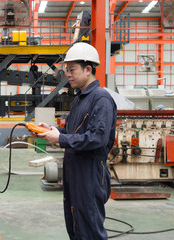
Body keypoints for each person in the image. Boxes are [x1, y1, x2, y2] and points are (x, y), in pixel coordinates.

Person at [30, 42, 117, 239]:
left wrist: (60, 138)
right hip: (74, 170)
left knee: (89, 229)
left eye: (72, 69)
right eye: (66, 70)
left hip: (89, 172)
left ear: (88, 69)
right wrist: (52, 131)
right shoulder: (80, 98)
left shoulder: (100, 99)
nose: (67, 74)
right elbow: (72, 131)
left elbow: (97, 138)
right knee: (75, 225)